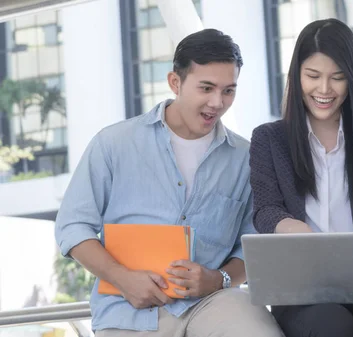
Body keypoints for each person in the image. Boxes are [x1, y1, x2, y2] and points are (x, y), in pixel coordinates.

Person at [54, 29, 283, 337]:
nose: (217, 102)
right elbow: (72, 226)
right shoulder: (113, 143)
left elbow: (254, 242)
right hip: (127, 310)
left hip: (212, 302)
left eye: (228, 91)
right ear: (175, 82)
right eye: (206, 88)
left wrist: (219, 279)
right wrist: (122, 277)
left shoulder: (245, 158)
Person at [249, 18, 353, 337]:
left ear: (352, 80)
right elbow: (266, 210)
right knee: (331, 325)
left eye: (337, 78)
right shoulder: (269, 139)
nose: (324, 90)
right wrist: (299, 231)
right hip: (302, 289)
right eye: (313, 76)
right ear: (297, 76)